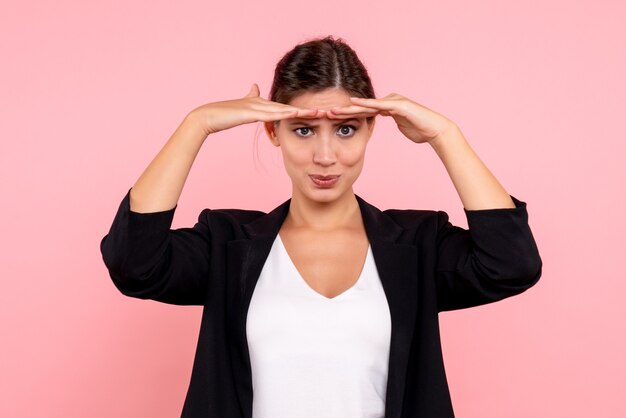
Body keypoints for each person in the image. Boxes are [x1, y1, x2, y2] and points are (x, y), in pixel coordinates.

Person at [100, 35, 542, 418]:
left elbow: (511, 265)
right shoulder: (230, 244)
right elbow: (135, 264)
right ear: (273, 132)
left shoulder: (416, 245)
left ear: (372, 128)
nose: (326, 156)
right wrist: (195, 125)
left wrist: (446, 135)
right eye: (304, 130)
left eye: (347, 130)